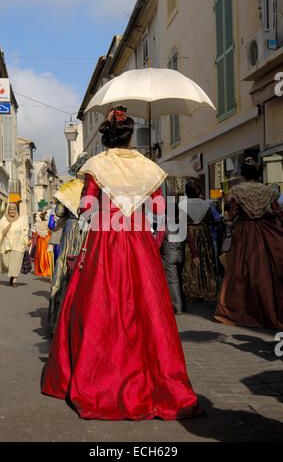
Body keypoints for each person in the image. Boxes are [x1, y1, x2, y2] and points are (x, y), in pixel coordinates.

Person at [41, 106, 203, 421]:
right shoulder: (149, 167)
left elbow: (87, 207)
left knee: (99, 305)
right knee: (147, 307)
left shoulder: (96, 165)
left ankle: (101, 374)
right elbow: (158, 210)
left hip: (105, 241)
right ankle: (152, 375)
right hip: (139, 241)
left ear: (106, 136)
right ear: (130, 135)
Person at [215, 163, 283, 330]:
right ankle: (268, 308)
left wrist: (226, 220)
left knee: (241, 270)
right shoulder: (268, 191)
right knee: (266, 270)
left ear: (243, 175)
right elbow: (277, 212)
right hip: (264, 231)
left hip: (245, 231)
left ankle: (244, 308)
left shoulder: (238, 190)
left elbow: (233, 213)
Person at [47, 154, 87, 336]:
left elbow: (59, 212)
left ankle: (57, 322)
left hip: (71, 230)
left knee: (63, 270)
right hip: (89, 232)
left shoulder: (69, 187)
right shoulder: (94, 189)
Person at [160, 202, 200, 314]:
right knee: (179, 279)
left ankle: (177, 307)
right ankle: (183, 303)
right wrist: (195, 255)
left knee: (173, 281)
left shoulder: (164, 226)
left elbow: (158, 242)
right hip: (180, 255)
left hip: (169, 256)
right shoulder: (182, 225)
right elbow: (190, 241)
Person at [181, 182, 218, 302]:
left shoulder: (182, 205)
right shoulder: (206, 204)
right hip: (204, 233)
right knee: (206, 260)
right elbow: (211, 220)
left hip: (190, 233)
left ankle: (193, 290)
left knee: (191, 260)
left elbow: (181, 222)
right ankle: (207, 288)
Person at [0, 203, 28, 287]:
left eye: (13, 209)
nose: (12, 211)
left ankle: (15, 279)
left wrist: (26, 243)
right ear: (8, 210)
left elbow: (25, 232)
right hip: (6, 244)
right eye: (10, 209)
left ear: (16, 210)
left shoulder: (21, 220)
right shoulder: (4, 220)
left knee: (16, 262)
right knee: (7, 263)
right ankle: (12, 275)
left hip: (18, 244)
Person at [34, 211, 51, 277]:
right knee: (47, 255)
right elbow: (50, 231)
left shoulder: (37, 224)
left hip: (41, 241)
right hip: (47, 240)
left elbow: (36, 234)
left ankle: (42, 269)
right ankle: (48, 269)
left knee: (41, 255)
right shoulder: (48, 223)